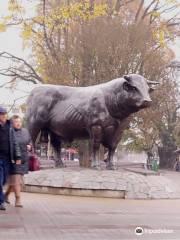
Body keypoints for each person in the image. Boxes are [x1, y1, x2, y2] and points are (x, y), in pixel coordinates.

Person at [5, 115, 32, 208]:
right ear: (12, 123)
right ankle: (18, 199)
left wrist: (30, 146)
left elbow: (30, 141)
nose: (18, 123)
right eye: (16, 121)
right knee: (17, 181)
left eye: (19, 121)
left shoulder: (25, 131)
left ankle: (6, 195)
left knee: (14, 181)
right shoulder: (9, 132)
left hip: (24, 160)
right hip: (13, 160)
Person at [0, 107, 21, 211]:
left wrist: (17, 156)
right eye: (1, 114)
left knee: (4, 180)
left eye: (4, 113)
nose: (3, 115)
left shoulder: (9, 127)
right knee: (0, 179)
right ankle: (1, 202)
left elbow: (14, 142)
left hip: (7, 157)